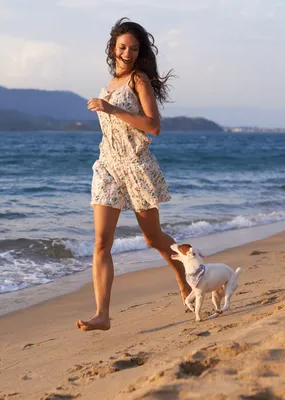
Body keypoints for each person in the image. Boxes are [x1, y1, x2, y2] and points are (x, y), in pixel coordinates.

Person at [76, 18, 190, 332]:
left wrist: (111, 109)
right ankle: (102, 315)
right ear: (113, 48)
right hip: (108, 167)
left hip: (136, 167)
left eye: (134, 48)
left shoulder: (138, 80)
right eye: (123, 47)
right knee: (101, 242)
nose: (127, 52)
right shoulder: (110, 84)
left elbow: (153, 126)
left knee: (152, 238)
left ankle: (184, 275)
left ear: (139, 52)